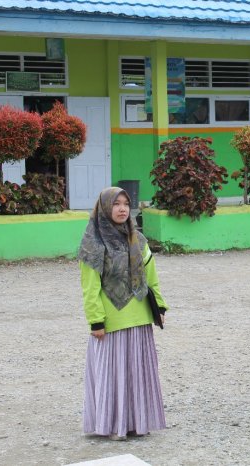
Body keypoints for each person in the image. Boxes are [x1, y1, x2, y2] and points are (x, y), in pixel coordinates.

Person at [78, 187, 168, 440]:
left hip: (140, 317)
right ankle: (112, 425)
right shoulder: (93, 243)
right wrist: (96, 321)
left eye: (126, 204)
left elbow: (151, 277)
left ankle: (136, 423)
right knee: (113, 376)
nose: (122, 209)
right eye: (116, 204)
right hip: (112, 321)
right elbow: (90, 287)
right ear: (105, 208)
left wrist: (159, 307)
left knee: (137, 375)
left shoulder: (138, 240)